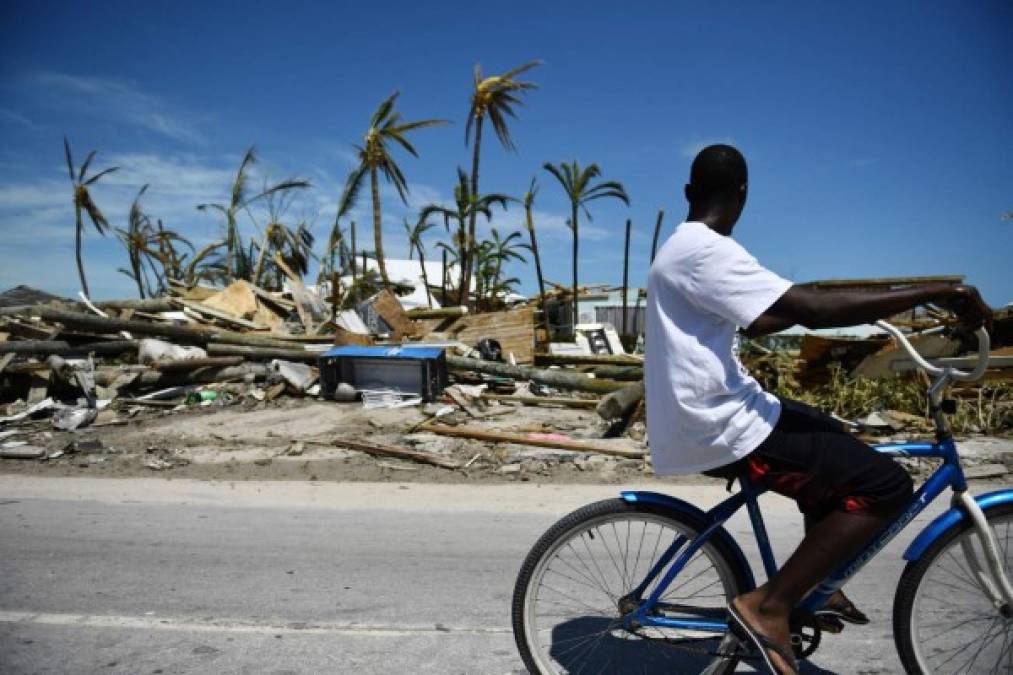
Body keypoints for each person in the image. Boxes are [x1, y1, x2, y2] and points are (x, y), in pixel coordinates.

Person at [644, 144, 990, 675]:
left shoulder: (683, 247)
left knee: (833, 439)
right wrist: (935, 291)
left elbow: (761, 320)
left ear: (689, 193)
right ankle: (768, 606)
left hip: (715, 413)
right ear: (743, 195)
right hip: (723, 425)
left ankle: (817, 588)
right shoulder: (707, 250)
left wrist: (800, 304)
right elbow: (810, 310)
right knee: (887, 486)